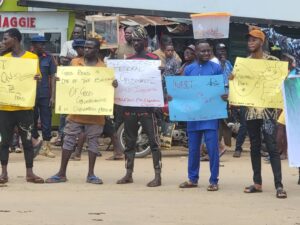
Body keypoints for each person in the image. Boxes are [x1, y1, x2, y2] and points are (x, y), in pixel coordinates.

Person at [45, 38, 117, 184]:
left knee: (93, 143)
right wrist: (62, 80)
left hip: (95, 115)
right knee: (68, 141)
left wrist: (113, 85)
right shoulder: (74, 63)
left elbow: (107, 91)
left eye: (90, 48)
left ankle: (91, 174)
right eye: (85, 47)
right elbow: (68, 82)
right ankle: (61, 173)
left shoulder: (104, 69)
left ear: (97, 50)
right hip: (75, 112)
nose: (86, 50)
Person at [239, 29, 287, 198]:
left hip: (268, 111)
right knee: (254, 146)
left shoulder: (273, 61)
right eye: (249, 40)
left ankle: (279, 185)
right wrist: (233, 79)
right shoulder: (244, 63)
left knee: (272, 147)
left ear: (262, 42)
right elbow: (240, 84)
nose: (250, 42)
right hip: (251, 111)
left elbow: (280, 84)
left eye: (254, 40)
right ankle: (257, 182)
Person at [116, 26, 162, 187]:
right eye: (133, 40)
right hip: (130, 108)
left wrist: (160, 73)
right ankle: (128, 173)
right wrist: (116, 82)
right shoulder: (128, 61)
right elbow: (122, 83)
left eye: (138, 40)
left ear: (145, 41)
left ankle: (157, 175)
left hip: (148, 110)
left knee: (154, 142)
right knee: (129, 142)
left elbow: (158, 82)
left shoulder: (153, 60)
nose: (135, 43)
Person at [177, 40, 224, 191]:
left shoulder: (216, 68)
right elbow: (183, 91)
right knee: (193, 149)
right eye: (202, 51)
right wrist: (173, 96)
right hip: (194, 115)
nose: (206, 53)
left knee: (212, 148)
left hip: (210, 114)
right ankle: (192, 179)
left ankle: (213, 180)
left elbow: (222, 88)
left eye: (208, 51)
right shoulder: (189, 69)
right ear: (196, 52)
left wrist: (225, 95)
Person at [0, 28, 44, 184]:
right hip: (5, 107)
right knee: (4, 142)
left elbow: (36, 77)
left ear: (15, 39)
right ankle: (3, 173)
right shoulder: (3, 58)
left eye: (6, 39)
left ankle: (29, 173)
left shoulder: (31, 58)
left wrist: (37, 77)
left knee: (26, 142)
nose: (4, 42)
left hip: (25, 107)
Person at [106, 27, 136, 161]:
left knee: (132, 118)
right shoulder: (118, 48)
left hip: (134, 89)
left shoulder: (138, 48)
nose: (128, 35)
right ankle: (117, 147)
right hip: (120, 88)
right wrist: (112, 54)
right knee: (118, 119)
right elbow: (111, 64)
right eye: (127, 33)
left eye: (131, 33)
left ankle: (130, 145)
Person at [54, 26, 84, 147]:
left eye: (78, 32)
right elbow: (62, 60)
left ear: (82, 33)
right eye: (74, 32)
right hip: (68, 81)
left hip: (82, 84)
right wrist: (75, 59)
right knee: (64, 112)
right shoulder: (67, 44)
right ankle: (61, 136)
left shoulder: (86, 45)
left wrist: (70, 58)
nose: (76, 34)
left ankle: (80, 139)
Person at [30, 35, 57, 158]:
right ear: (34, 45)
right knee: (32, 120)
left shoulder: (49, 58)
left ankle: (47, 147)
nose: (43, 46)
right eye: (40, 44)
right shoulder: (27, 57)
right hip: (30, 94)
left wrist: (53, 96)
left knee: (47, 121)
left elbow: (53, 78)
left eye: (43, 44)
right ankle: (36, 144)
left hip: (45, 94)